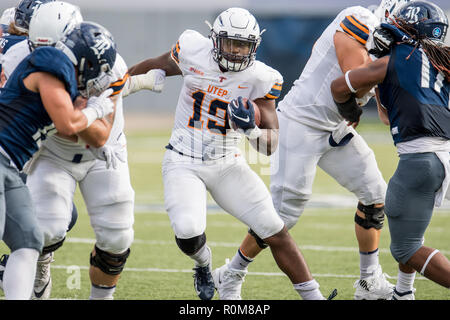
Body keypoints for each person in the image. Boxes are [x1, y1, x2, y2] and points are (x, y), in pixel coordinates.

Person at [211, 0, 415, 301]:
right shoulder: (358, 18)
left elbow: (384, 113)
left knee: (375, 194)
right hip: (300, 124)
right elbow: (353, 79)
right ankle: (230, 274)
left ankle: (369, 282)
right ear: (389, 15)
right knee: (282, 216)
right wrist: (386, 64)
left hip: (334, 128)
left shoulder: (391, 48)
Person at [128, 7, 335, 300]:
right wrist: (121, 83)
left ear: (254, 46)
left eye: (243, 45)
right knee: (188, 232)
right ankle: (204, 263)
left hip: (227, 163)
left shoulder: (261, 78)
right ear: (215, 40)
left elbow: (271, 144)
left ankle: (314, 297)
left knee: (273, 229)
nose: (237, 51)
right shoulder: (191, 49)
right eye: (231, 43)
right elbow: (154, 65)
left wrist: (251, 130)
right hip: (182, 161)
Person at [331, 0, 450, 300]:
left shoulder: (394, 59)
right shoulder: (442, 61)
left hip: (419, 160)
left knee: (405, 247)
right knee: (410, 227)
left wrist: (352, 111)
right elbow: (391, 112)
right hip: (444, 154)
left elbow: (338, 87)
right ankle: (403, 293)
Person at [0, 15, 116, 300]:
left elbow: (65, 130)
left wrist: (95, 143)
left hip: (10, 166)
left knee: (28, 241)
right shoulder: (51, 61)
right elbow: (67, 124)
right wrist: (96, 111)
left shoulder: (60, 74)